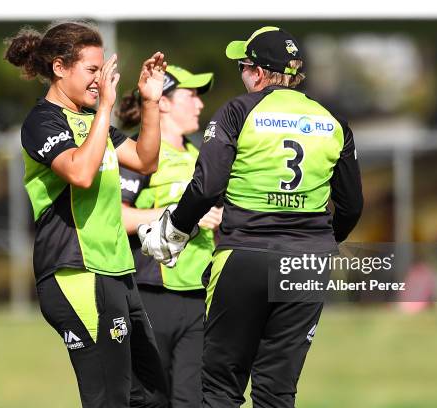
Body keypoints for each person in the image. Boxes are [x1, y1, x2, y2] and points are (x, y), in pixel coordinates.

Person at [139, 26, 363, 407]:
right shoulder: (333, 121)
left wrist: (175, 230)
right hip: (309, 261)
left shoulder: (239, 110)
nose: (242, 75)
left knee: (219, 386)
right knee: (277, 390)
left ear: (258, 73)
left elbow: (207, 186)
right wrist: (320, 242)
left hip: (244, 256)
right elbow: (351, 206)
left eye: (243, 66)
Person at [4, 21, 168, 408]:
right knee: (109, 399)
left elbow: (146, 161)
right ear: (59, 68)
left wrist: (150, 101)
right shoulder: (42, 121)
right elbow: (79, 172)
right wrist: (107, 106)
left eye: (102, 71)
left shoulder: (95, 124)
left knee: (152, 397)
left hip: (115, 271)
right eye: (92, 70)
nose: (100, 80)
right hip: (75, 273)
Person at [118, 65, 222, 407]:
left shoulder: (201, 157)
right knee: (150, 400)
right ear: (162, 102)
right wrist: (180, 214)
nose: (199, 105)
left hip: (198, 294)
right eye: (190, 95)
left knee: (193, 400)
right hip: (151, 294)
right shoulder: (138, 152)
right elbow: (117, 216)